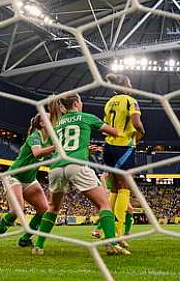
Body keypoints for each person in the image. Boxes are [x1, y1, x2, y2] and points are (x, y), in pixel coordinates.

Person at [33, 94, 129, 256]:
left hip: (56, 168)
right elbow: (115, 133)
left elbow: (62, 145)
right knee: (104, 205)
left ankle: (39, 246)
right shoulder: (87, 117)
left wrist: (85, 148)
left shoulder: (58, 124)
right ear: (77, 103)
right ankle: (111, 244)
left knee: (53, 207)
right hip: (76, 165)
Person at [0, 113, 54, 250]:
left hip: (29, 179)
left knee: (44, 209)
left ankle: (25, 239)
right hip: (14, 176)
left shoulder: (49, 140)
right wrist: (56, 147)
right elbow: (37, 153)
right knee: (17, 210)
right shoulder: (35, 136)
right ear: (42, 124)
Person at [103, 73, 145, 245]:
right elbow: (136, 123)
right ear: (125, 86)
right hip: (124, 146)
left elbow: (106, 127)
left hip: (109, 146)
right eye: (130, 83)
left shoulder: (109, 102)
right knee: (124, 187)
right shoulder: (130, 101)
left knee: (114, 189)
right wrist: (142, 133)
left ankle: (109, 232)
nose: (132, 85)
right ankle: (119, 234)